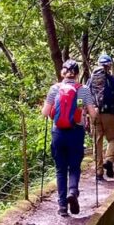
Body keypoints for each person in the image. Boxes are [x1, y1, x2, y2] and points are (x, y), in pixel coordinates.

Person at [42, 60, 97, 217]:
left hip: (58, 133)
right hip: (76, 132)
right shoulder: (83, 90)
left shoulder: (54, 89)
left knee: (60, 170)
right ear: (77, 74)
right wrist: (93, 113)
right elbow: (92, 114)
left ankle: (62, 207)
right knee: (74, 166)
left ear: (62, 73)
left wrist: (52, 108)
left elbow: (45, 113)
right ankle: (72, 191)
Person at [88, 53, 114, 180]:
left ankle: (99, 173)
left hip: (94, 114)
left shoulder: (90, 81)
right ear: (109, 66)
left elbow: (86, 99)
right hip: (109, 114)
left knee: (97, 142)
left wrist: (85, 115)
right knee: (113, 139)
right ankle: (109, 160)